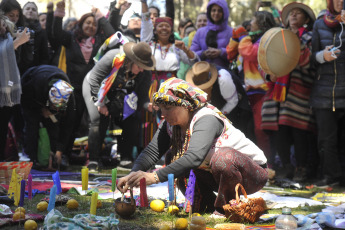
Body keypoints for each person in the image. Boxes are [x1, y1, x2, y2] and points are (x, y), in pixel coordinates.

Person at [117, 78, 268, 215]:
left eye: (168, 107)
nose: (163, 113)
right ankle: (204, 203)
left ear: (186, 106)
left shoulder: (206, 118)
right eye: (161, 108)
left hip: (251, 174)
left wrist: (154, 176)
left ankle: (226, 207)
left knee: (224, 158)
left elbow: (194, 158)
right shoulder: (170, 124)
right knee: (172, 156)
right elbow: (152, 152)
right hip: (216, 173)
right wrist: (133, 174)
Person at [51, 0, 115, 163]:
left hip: (94, 90)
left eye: (94, 24)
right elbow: (56, 34)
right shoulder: (71, 38)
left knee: (96, 122)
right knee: (71, 121)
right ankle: (63, 154)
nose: (91, 26)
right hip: (74, 88)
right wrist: (58, 14)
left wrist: (100, 16)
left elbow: (112, 35)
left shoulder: (101, 41)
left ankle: (94, 158)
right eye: (88, 23)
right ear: (81, 24)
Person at [261, 2, 316, 182]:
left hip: (299, 92)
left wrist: (297, 45)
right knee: (279, 131)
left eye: (298, 13)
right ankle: (285, 168)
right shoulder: (278, 36)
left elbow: (311, 64)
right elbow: (265, 61)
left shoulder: (309, 37)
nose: (293, 16)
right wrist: (270, 76)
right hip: (277, 94)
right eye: (291, 13)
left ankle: (301, 169)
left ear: (306, 19)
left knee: (298, 131)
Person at [83, 39, 154, 171]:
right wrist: (101, 103)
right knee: (99, 119)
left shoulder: (145, 72)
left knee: (133, 117)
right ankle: (93, 159)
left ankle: (125, 158)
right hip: (95, 87)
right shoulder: (113, 57)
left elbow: (142, 97)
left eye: (144, 68)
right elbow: (94, 79)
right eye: (139, 66)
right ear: (131, 61)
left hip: (119, 93)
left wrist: (148, 105)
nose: (141, 70)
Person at [227, 11, 276, 166]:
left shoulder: (265, 38)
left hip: (263, 90)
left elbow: (250, 53)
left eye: (254, 20)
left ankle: (268, 165)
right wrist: (235, 38)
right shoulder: (251, 38)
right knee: (251, 130)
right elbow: (230, 54)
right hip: (249, 91)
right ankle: (259, 164)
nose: (250, 23)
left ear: (261, 22)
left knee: (262, 130)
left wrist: (243, 37)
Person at [310, 0, 345, 186]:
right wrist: (321, 56)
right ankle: (331, 178)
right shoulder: (319, 24)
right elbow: (310, 58)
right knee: (326, 141)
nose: (340, 2)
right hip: (323, 94)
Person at [21, 65, 75, 169]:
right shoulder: (35, 85)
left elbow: (68, 124)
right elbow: (28, 104)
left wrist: (60, 150)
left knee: (53, 123)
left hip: (45, 90)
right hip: (29, 88)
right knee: (32, 125)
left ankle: (53, 155)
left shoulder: (69, 97)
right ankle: (32, 158)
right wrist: (43, 109)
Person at [185, 61, 255, 142]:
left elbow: (233, 101)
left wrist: (217, 115)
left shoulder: (223, 79)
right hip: (219, 112)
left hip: (237, 111)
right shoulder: (194, 83)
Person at [0, 12, 29, 161]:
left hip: (6, 93)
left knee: (3, 128)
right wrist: (16, 42)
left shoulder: (7, 40)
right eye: (2, 24)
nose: (4, 27)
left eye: (6, 25)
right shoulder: (8, 43)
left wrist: (17, 41)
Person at [190, 0, 233, 69]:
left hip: (225, 73)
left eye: (219, 11)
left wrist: (221, 52)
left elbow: (236, 54)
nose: (216, 13)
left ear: (224, 12)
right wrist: (203, 53)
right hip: (202, 73)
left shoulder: (231, 32)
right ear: (209, 12)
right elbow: (191, 54)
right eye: (214, 10)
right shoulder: (200, 32)